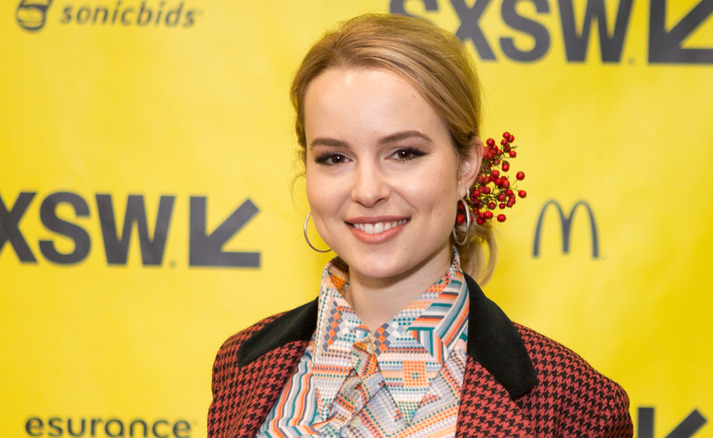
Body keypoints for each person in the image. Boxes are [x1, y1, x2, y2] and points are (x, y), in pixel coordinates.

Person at [208, 13, 632, 438]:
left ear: (467, 165)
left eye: (404, 153)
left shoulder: (576, 403)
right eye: (335, 158)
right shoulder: (241, 366)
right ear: (308, 171)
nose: (367, 190)